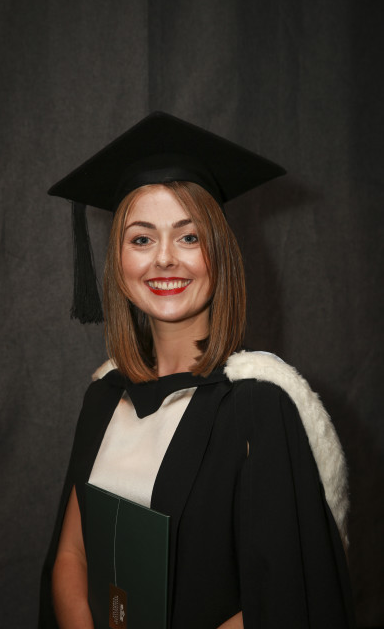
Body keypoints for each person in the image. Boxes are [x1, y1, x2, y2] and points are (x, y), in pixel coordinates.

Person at [39, 112, 355, 628]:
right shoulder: (104, 396)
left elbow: (285, 597)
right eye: (141, 239)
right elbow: (71, 554)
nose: (164, 259)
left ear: (220, 253)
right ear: (118, 261)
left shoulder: (257, 406)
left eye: (188, 237)